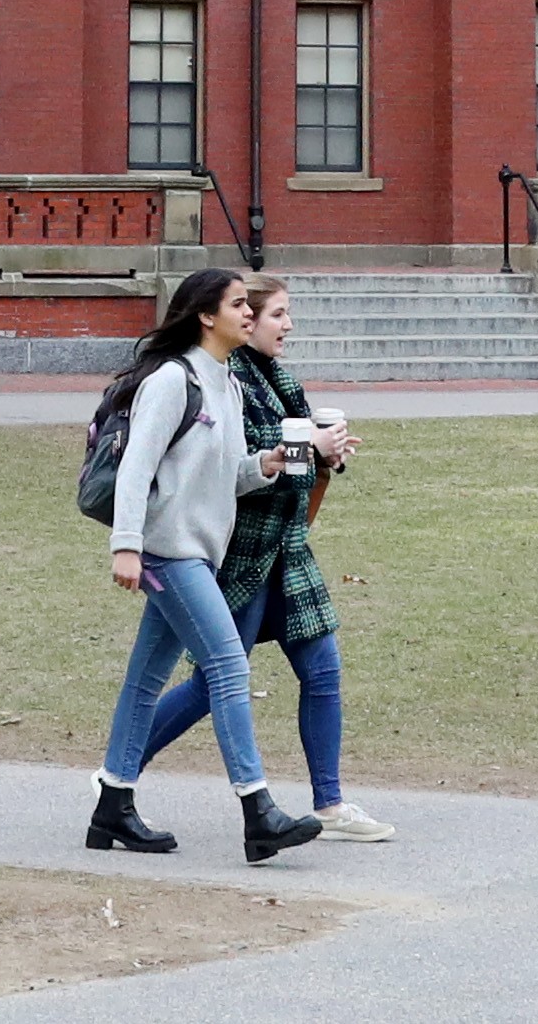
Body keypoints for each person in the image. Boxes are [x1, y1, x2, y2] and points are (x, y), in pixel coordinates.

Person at [88, 267, 326, 862]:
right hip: (169, 551)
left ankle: (111, 807)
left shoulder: (228, 383)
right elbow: (138, 465)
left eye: (251, 305)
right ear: (205, 315)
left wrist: (266, 461)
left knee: (145, 681)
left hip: (199, 550)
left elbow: (225, 474)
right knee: (226, 664)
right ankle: (258, 810)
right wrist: (126, 545)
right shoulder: (174, 379)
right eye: (240, 305)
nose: (250, 313)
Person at [139, 278, 388, 841]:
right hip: (241, 552)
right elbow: (238, 468)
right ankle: (120, 774)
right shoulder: (229, 379)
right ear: (243, 319)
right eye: (277, 314)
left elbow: (298, 465)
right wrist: (307, 451)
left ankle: (330, 803)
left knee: (322, 670)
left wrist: (332, 457)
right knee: (214, 683)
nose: (287, 325)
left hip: (288, 550)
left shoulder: (281, 378)